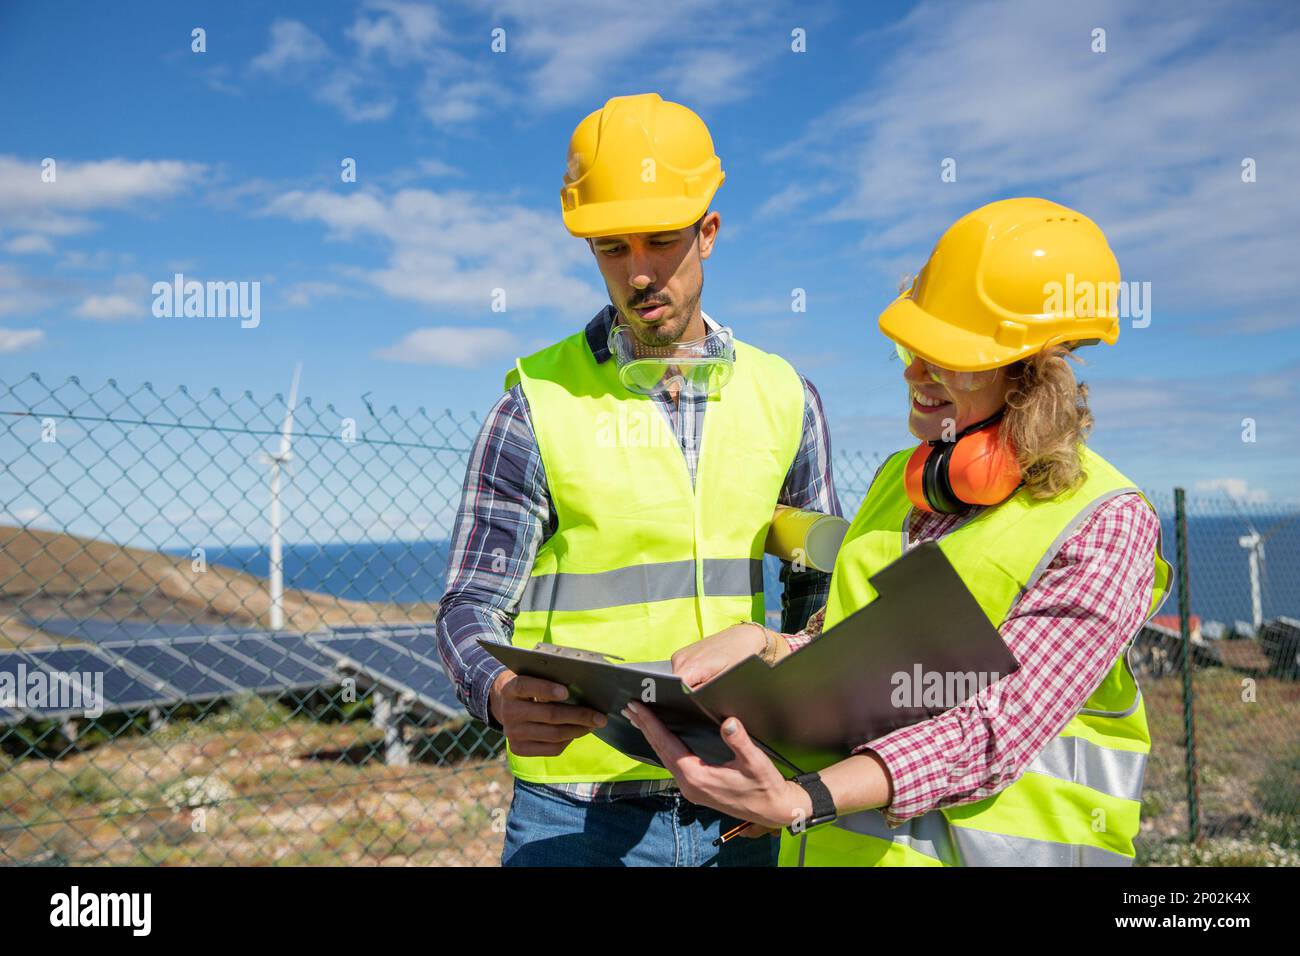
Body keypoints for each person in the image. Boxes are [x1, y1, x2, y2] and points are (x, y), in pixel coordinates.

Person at [627, 197, 1172, 866]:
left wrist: (803, 800)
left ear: (1034, 374)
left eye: (948, 356)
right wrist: (768, 644)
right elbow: (857, 656)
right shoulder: (898, 482)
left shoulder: (1105, 521)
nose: (913, 373)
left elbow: (997, 725)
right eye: (911, 348)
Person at [434, 92, 840, 867]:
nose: (640, 272)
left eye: (660, 241)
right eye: (612, 248)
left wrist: (793, 759)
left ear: (708, 232)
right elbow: (470, 603)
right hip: (573, 815)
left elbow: (821, 604)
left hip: (739, 799)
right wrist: (494, 691)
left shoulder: (788, 399)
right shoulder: (533, 409)